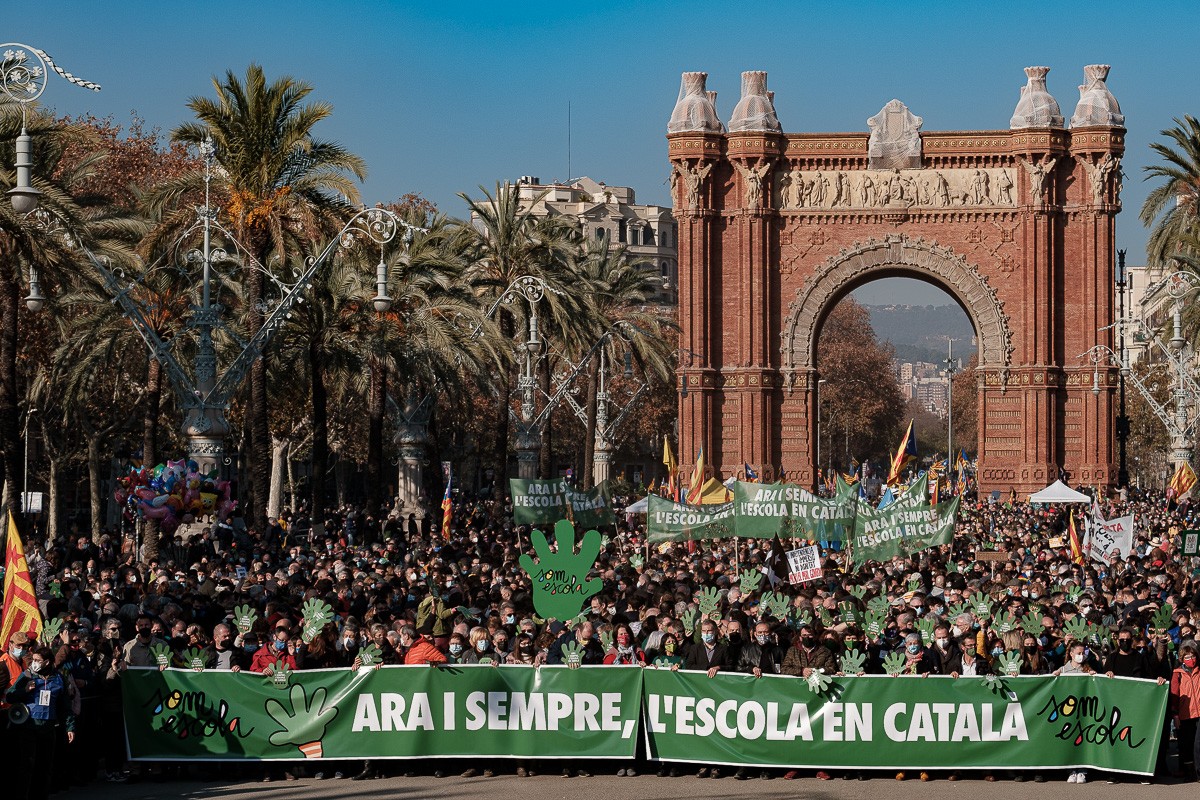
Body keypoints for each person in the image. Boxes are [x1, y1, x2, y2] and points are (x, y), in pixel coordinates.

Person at [6, 645, 76, 800]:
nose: (34, 663)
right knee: (26, 766)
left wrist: (70, 727)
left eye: (38, 660)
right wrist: (24, 690)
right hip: (29, 727)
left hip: (48, 728)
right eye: (33, 660)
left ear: (47, 662)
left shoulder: (58, 678)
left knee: (45, 767)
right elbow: (10, 696)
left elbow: (65, 706)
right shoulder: (27, 675)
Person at [1169, 641, 1200, 781]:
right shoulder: (1177, 674)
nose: (1190, 659)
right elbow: (1174, 695)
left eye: (1192, 656)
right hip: (1184, 714)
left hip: (1199, 713)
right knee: (1186, 745)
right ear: (1181, 658)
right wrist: (1175, 715)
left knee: (1198, 744)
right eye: (1187, 657)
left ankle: (1198, 772)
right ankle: (1188, 772)